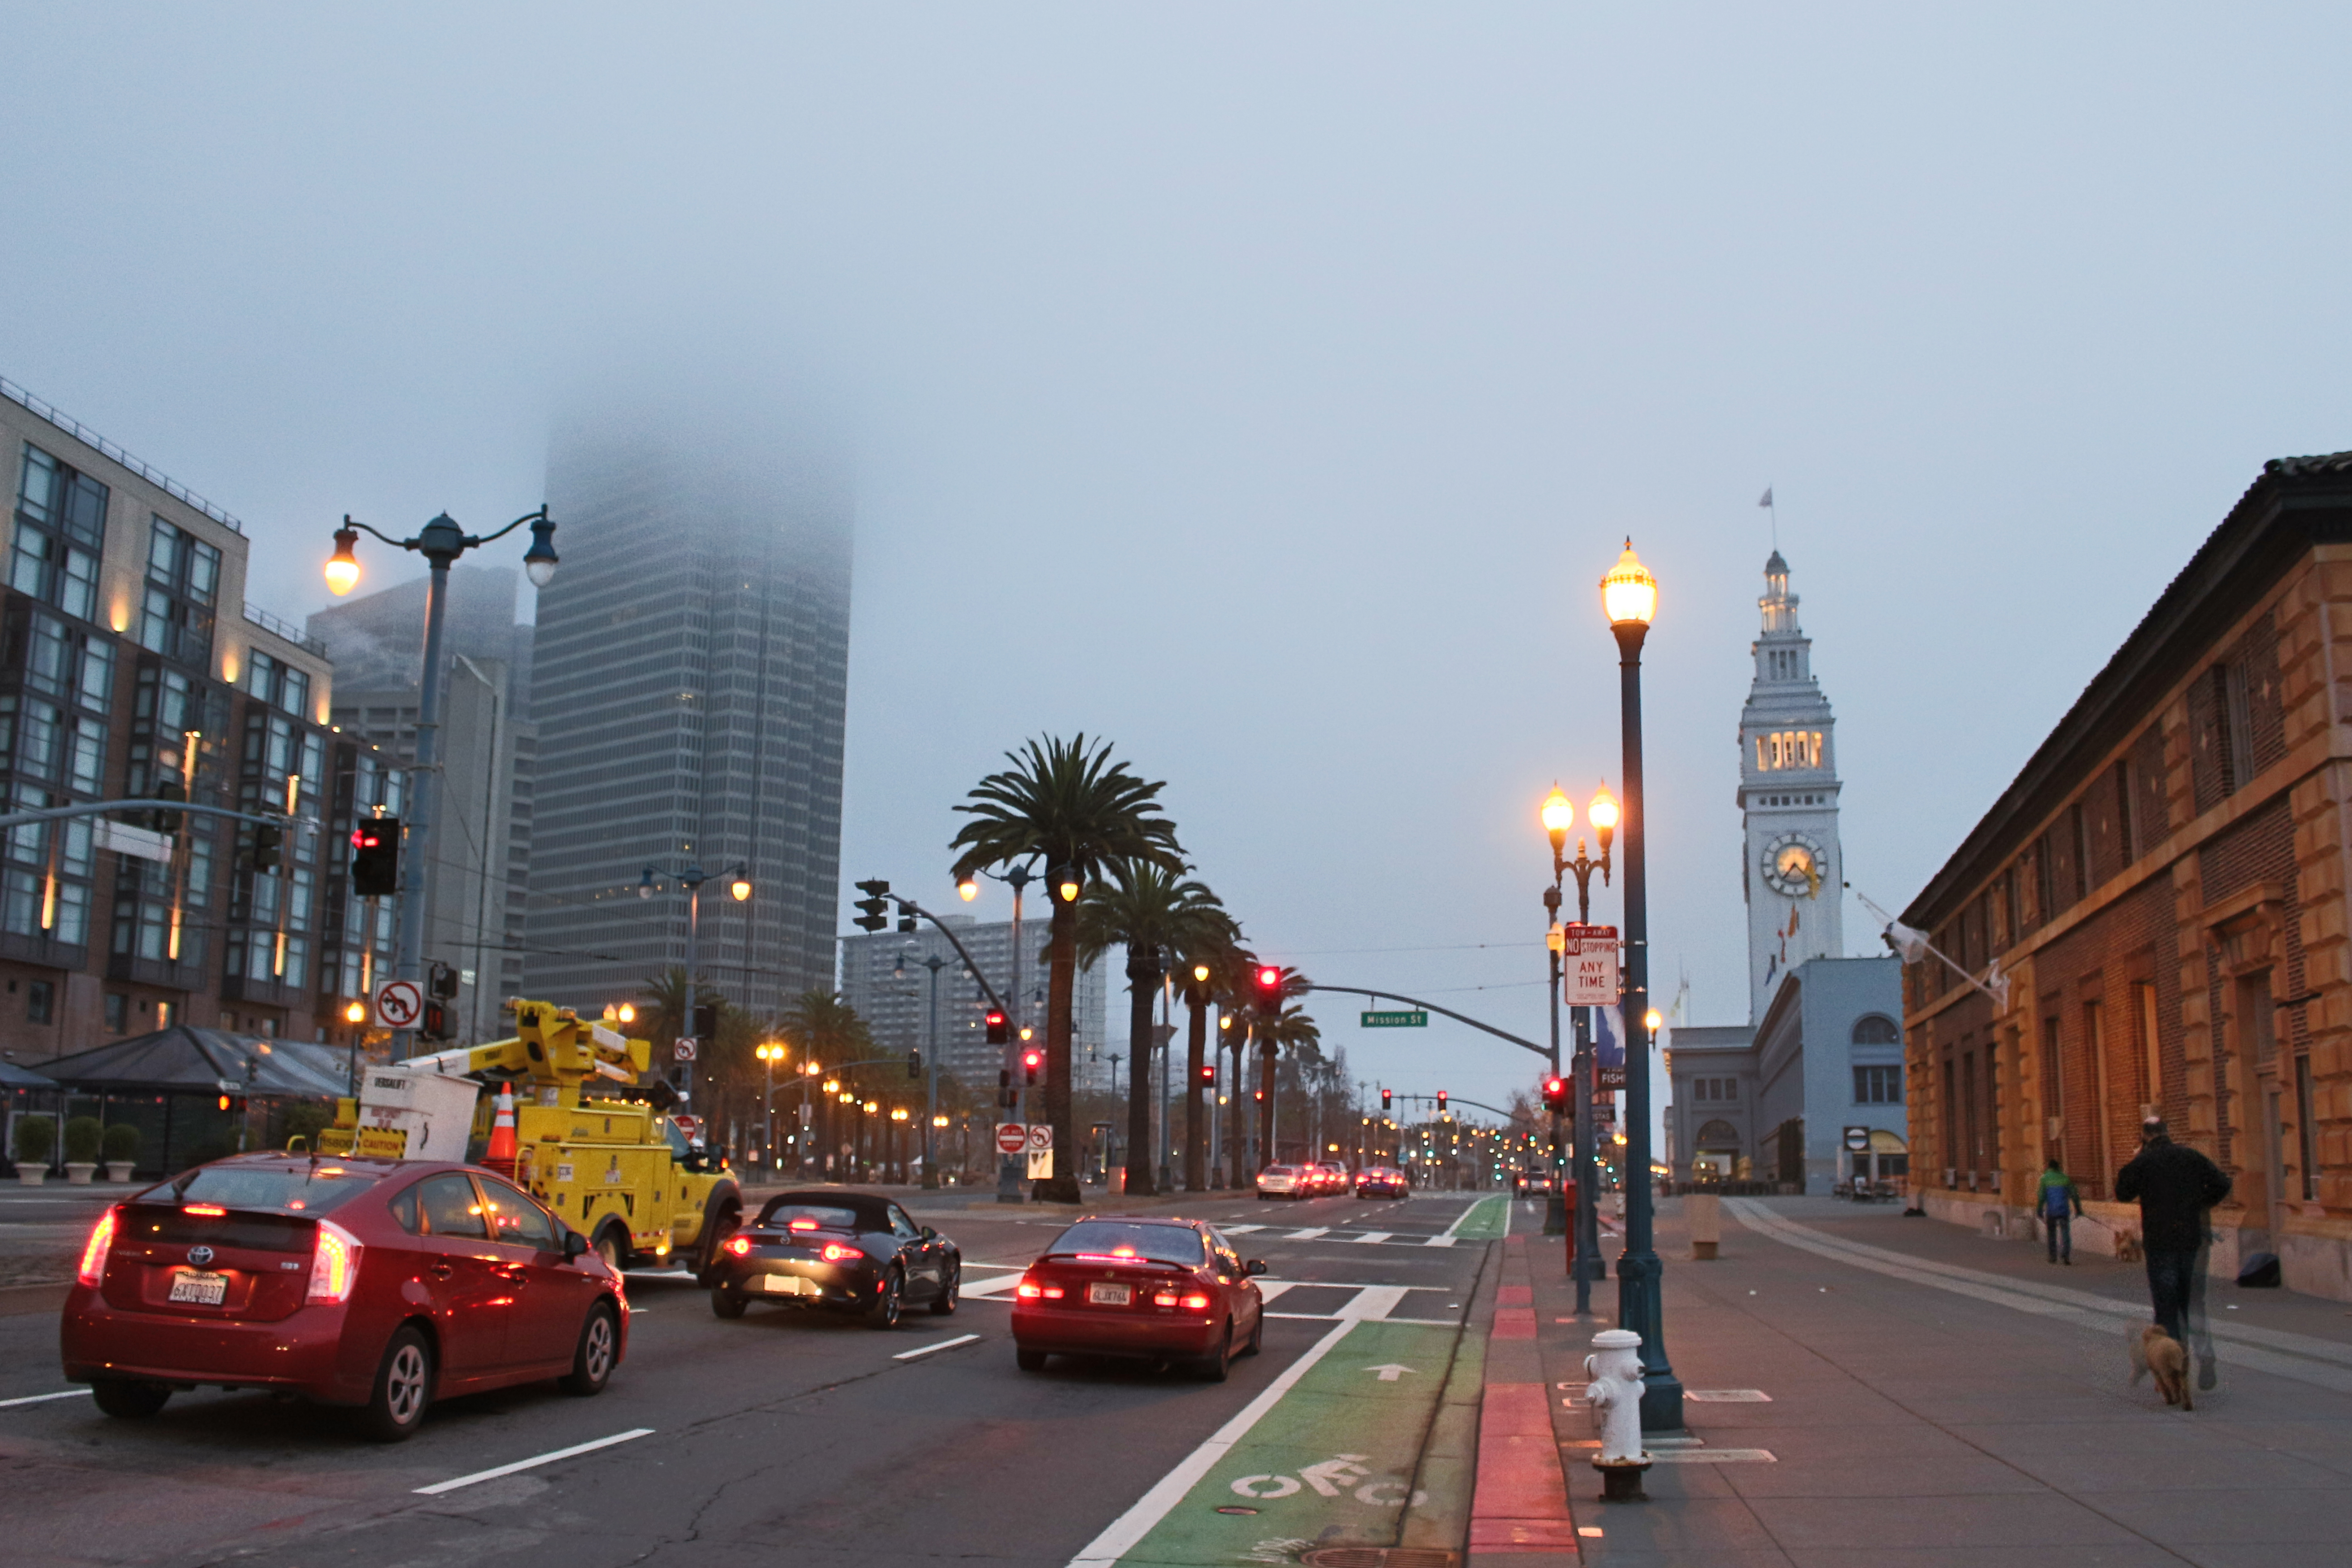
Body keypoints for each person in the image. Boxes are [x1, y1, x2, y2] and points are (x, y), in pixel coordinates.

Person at [2114, 1116, 2231, 1359]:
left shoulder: (2144, 1162)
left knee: (2166, 1305)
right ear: (2167, 1132)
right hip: (2190, 1239)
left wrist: (2137, 1158)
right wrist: (2201, 1203)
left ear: (2145, 1136)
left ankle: (2176, 1358)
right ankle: (2205, 1353)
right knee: (2192, 1300)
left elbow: (2123, 1192)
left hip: (2160, 1241)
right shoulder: (2190, 1156)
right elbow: (2222, 1183)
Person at [2036, 1156, 2082, 1264]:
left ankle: (2053, 1257)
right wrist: (2078, 1209)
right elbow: (2074, 1195)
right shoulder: (2065, 1178)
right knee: (2065, 1233)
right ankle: (2066, 1256)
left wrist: (2039, 1210)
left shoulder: (2044, 1178)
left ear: (2049, 1167)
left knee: (2052, 1233)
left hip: (2051, 1211)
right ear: (2058, 1168)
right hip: (2064, 1210)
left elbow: (2042, 1196)